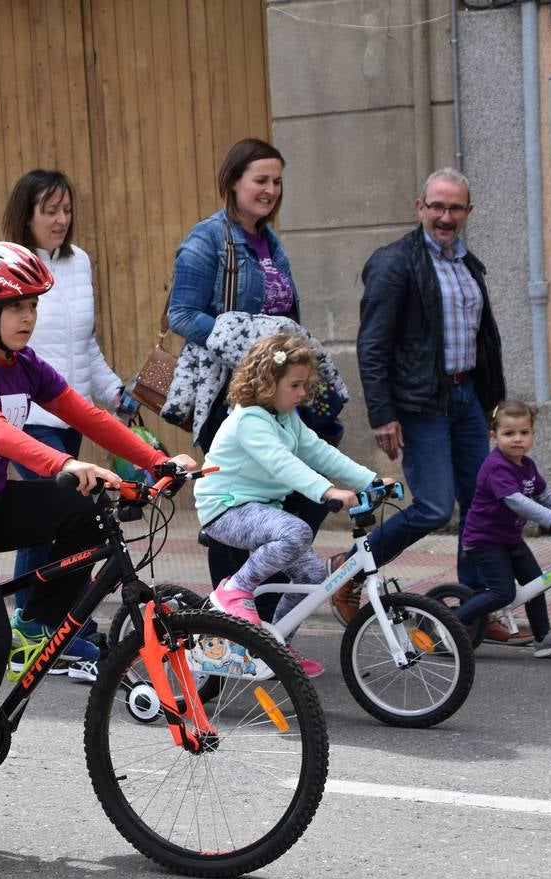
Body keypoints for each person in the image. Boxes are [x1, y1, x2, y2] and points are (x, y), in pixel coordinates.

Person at [0, 241, 196, 808]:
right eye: (16, 306)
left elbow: (87, 415)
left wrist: (156, 462)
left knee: (87, 513)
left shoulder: (23, 364)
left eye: (33, 304)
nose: (29, 316)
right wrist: (63, 462)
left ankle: (35, 626)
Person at [0, 170, 132, 629]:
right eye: (50, 210)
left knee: (61, 519)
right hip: (24, 415)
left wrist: (114, 392)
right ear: (25, 215)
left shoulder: (78, 261)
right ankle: (37, 626)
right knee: (59, 513)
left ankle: (43, 625)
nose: (61, 219)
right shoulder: (3, 266)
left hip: (68, 409)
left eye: (67, 210)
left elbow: (84, 346)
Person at [166, 137, 327, 621]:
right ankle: (226, 618)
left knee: (298, 501)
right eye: (260, 180)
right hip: (230, 396)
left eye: (277, 181)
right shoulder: (208, 239)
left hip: (277, 394)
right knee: (237, 511)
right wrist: (246, 341)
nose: (271, 189)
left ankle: (264, 619)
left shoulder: (270, 241)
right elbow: (181, 313)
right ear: (234, 182)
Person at [346, 167, 508, 634]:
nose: (445, 215)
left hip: (467, 398)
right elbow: (372, 344)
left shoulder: (468, 264)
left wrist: (491, 406)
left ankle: (474, 608)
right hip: (420, 405)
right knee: (435, 507)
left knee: (480, 505)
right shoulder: (394, 262)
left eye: (455, 207)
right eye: (436, 206)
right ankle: (353, 566)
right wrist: (383, 412)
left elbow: (485, 341)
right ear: (420, 208)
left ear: (468, 212)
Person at [194, 334, 381, 677]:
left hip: (260, 509)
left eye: (304, 385)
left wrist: (370, 480)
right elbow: (281, 463)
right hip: (226, 508)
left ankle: (274, 650)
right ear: (267, 382)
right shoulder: (249, 419)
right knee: (297, 531)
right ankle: (235, 589)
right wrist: (327, 491)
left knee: (310, 577)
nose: (301, 394)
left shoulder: (286, 419)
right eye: (295, 385)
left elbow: (321, 452)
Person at [452, 400, 551, 657]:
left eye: (523, 433)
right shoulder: (495, 467)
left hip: (509, 538)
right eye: (508, 434)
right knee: (502, 593)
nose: (517, 439)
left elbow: (544, 493)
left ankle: (543, 639)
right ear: (494, 436)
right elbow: (516, 502)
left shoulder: (527, 466)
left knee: (537, 583)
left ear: (533, 434)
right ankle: (448, 622)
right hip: (484, 541)